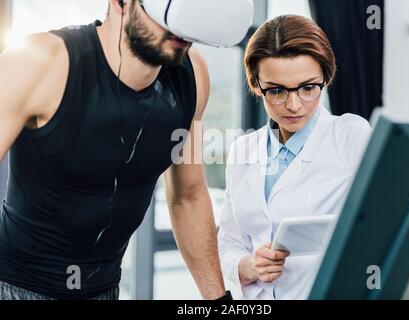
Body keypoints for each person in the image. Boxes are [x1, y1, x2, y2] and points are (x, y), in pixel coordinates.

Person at [0, 0, 230, 300]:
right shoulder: (39, 61)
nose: (179, 23)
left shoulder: (193, 76)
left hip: (105, 290)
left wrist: (220, 303)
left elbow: (188, 196)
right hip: (16, 286)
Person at [218, 15, 372, 300]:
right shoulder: (242, 150)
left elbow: (379, 226)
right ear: (256, 85)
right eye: (276, 91)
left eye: (308, 87)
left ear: (325, 78)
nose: (293, 104)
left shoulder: (351, 135)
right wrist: (247, 266)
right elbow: (228, 243)